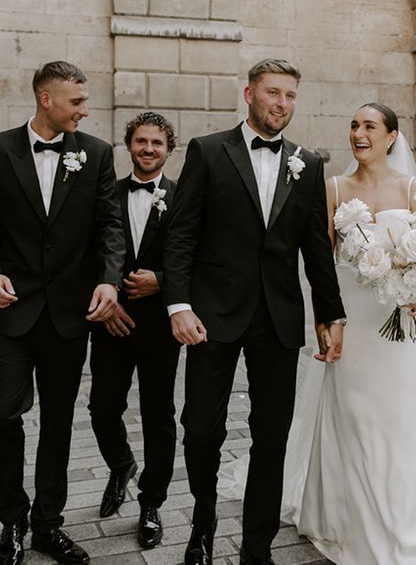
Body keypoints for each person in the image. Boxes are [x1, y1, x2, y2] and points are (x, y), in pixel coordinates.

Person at [163, 59, 345, 565]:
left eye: (290, 95)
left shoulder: (307, 163)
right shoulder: (208, 151)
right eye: (272, 93)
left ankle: (256, 546)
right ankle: (202, 521)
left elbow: (315, 247)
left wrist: (330, 315)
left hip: (278, 320)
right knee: (201, 429)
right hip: (212, 316)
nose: (281, 104)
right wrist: (178, 304)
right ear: (249, 94)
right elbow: (180, 235)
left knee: (272, 436)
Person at [287, 103, 416, 564]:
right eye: (353, 124)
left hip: (399, 323)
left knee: (400, 422)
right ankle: (348, 521)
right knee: (352, 420)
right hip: (352, 320)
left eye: (370, 126)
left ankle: (404, 527)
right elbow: (319, 262)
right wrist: (327, 320)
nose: (358, 132)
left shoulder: (414, 189)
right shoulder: (333, 188)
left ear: (392, 136)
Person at [0, 61, 124, 565]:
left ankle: (48, 525)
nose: (85, 109)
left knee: (58, 422)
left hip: (69, 316)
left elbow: (109, 226)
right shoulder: (1, 149)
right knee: (4, 416)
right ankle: (11, 520)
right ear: (45, 100)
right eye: (76, 101)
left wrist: (109, 279)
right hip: (10, 315)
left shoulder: (96, 154)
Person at [88, 112, 180, 549]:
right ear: (129, 146)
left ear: (169, 149)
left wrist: (161, 280)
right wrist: (107, 308)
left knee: (158, 414)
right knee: (102, 407)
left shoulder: (182, 199)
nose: (148, 149)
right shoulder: (106, 194)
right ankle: (121, 464)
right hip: (112, 322)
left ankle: (152, 502)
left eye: (156, 143)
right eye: (140, 141)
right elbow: (89, 250)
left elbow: (197, 257)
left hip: (162, 325)